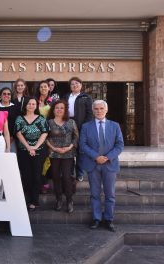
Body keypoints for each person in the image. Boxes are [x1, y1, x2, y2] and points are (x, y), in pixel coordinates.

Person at [80, 100, 124, 232]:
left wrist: (107, 157)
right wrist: (96, 157)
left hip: (109, 164)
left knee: (110, 194)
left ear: (106, 110)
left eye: (101, 108)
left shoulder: (115, 126)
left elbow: (119, 145)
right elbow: (83, 144)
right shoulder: (86, 126)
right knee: (95, 194)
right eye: (96, 109)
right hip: (93, 164)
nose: (99, 111)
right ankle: (96, 218)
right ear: (93, 111)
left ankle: (109, 219)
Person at [15, 97, 49, 211]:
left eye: (33, 104)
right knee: (26, 176)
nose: (31, 106)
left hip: (39, 151)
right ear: (25, 105)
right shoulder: (20, 118)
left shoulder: (41, 118)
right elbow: (19, 134)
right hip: (24, 151)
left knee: (36, 175)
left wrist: (35, 147)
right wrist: (29, 147)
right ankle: (28, 199)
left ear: (36, 106)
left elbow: (44, 133)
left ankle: (35, 201)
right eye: (29, 104)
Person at [46, 100, 79, 213]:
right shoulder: (49, 122)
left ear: (65, 110)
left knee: (66, 177)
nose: (59, 110)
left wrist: (69, 147)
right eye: (57, 108)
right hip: (54, 154)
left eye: (61, 108)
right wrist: (54, 148)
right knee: (55, 177)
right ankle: (59, 199)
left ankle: (69, 200)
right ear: (53, 110)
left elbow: (76, 137)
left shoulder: (71, 122)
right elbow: (45, 138)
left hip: (68, 153)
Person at [63, 76, 93, 182]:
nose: (74, 85)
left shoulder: (86, 97)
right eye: (72, 84)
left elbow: (90, 114)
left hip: (81, 126)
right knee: (68, 150)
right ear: (70, 86)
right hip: (67, 125)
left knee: (80, 151)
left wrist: (85, 127)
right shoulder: (66, 96)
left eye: (77, 83)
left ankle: (79, 173)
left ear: (81, 85)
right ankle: (70, 172)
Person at [0, 87, 19, 153]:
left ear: (11, 96)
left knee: (11, 158)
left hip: (12, 138)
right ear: (0, 96)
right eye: (4, 94)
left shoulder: (15, 107)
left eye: (9, 94)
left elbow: (17, 124)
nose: (6, 95)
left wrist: (12, 136)